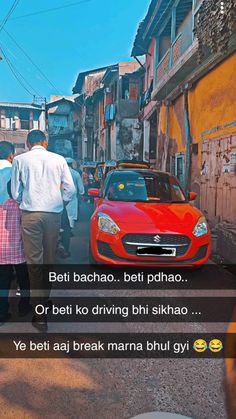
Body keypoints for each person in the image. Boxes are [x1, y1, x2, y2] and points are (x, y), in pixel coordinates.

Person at [11, 130, 76, 332]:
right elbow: (70, 190)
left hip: (30, 215)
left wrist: (25, 201)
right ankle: (43, 302)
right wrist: (60, 203)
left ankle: (39, 312)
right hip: (53, 216)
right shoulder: (58, 160)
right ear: (45, 142)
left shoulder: (20, 160)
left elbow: (15, 192)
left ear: (28, 143)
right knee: (48, 261)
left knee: (34, 264)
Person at [0, 181, 31, 325]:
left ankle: (2, 313)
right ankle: (24, 307)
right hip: (18, 252)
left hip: (1, 253)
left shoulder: (1, 207)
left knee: (3, 284)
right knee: (24, 281)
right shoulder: (22, 209)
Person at [65, 157, 84, 229]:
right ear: (71, 164)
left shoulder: (60, 173)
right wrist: (81, 194)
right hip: (73, 197)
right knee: (71, 215)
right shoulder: (76, 174)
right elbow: (80, 186)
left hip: (61, 197)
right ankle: (70, 228)